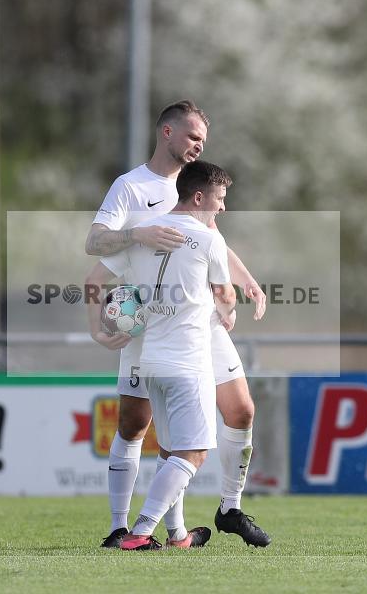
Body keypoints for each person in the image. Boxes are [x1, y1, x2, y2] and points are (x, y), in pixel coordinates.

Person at [85, 101, 271, 548]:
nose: (197, 145)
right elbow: (94, 245)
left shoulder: (200, 186)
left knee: (241, 410)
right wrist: (136, 234)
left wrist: (248, 284)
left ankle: (227, 509)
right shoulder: (131, 187)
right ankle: (124, 527)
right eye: (191, 137)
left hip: (198, 324)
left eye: (202, 140)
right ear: (166, 132)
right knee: (137, 424)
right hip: (145, 324)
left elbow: (216, 246)